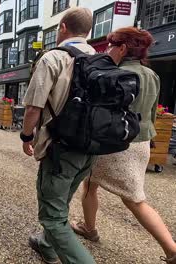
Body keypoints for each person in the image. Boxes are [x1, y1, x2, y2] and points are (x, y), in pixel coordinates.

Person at [71, 27, 176, 264]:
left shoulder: (116, 74)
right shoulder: (152, 75)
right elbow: (152, 112)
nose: (108, 49)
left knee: (133, 199)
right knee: (91, 183)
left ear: (123, 48)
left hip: (118, 143)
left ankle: (172, 249)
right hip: (142, 143)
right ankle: (89, 227)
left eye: (111, 44)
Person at [21, 8, 96, 263]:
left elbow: (34, 107)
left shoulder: (53, 58)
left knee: (52, 215)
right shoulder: (101, 58)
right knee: (62, 199)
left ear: (63, 27)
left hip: (61, 147)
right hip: (90, 149)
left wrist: (25, 136)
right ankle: (46, 245)